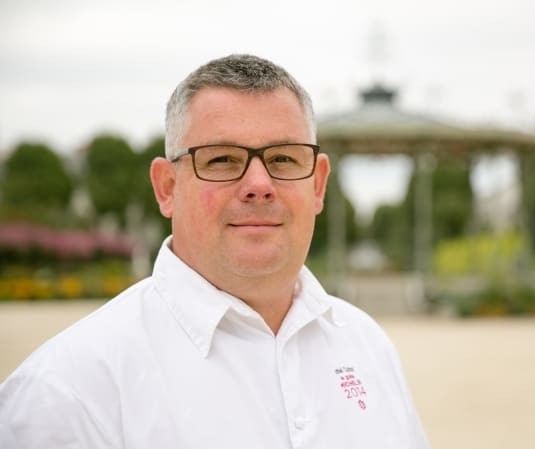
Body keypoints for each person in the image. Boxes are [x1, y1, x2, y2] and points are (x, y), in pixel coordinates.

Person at [0, 54, 430, 449]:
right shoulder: (67, 392)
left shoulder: (368, 346)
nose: (259, 184)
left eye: (283, 159)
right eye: (222, 159)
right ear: (167, 188)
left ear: (317, 185)